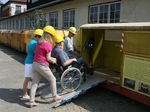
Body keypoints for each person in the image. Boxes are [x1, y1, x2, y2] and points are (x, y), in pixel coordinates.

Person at [29, 25, 63, 107]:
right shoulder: (48, 44)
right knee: (53, 79)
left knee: (35, 83)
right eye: (51, 35)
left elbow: (40, 55)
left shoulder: (38, 43)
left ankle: (31, 101)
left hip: (35, 64)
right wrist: (53, 60)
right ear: (49, 35)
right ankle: (55, 96)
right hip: (42, 65)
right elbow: (48, 58)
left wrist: (51, 58)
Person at [23, 29, 43, 99]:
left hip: (33, 62)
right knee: (27, 79)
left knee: (36, 77)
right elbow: (37, 53)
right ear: (38, 36)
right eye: (41, 37)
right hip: (29, 63)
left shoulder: (34, 41)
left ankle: (36, 91)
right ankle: (25, 94)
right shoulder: (33, 43)